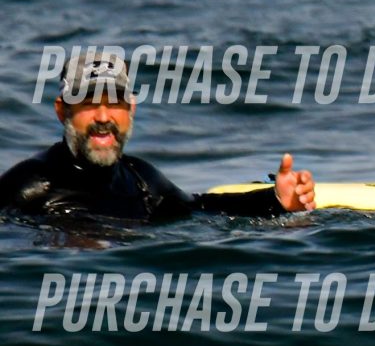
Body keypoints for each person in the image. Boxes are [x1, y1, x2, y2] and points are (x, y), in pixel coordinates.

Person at [0, 51, 315, 224]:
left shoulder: (141, 179)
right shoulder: (27, 185)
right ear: (62, 111)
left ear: (131, 109)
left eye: (116, 103)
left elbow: (199, 208)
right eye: (89, 103)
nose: (104, 118)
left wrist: (275, 200)